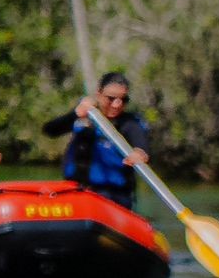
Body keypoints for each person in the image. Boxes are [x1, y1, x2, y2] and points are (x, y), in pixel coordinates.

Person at [41, 71, 150, 210]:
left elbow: (141, 144)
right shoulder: (84, 116)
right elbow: (49, 130)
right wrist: (75, 114)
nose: (117, 105)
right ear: (99, 94)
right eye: (111, 98)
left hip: (114, 196)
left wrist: (139, 153)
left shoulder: (130, 123)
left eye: (123, 99)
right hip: (77, 190)